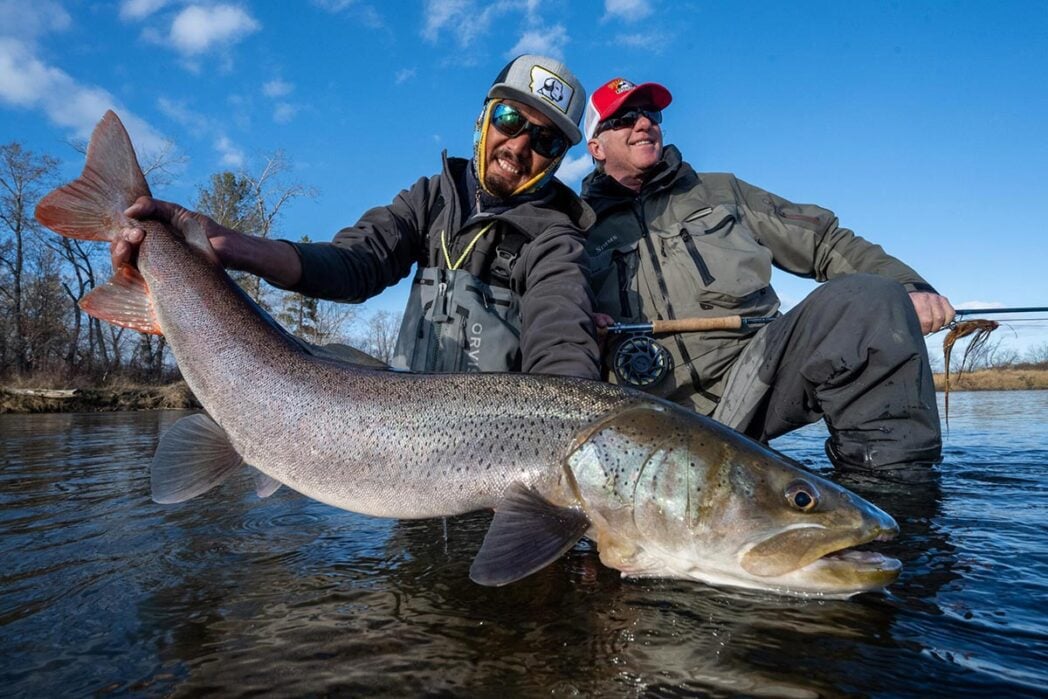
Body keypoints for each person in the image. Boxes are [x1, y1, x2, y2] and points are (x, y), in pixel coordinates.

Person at [113, 55, 600, 379]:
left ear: (556, 160)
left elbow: (562, 343)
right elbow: (354, 263)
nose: (518, 146)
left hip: (501, 467)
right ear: (484, 119)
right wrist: (233, 247)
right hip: (411, 455)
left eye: (545, 141)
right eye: (511, 120)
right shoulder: (430, 198)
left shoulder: (557, 239)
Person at [580, 77, 956, 473]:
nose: (643, 124)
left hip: (756, 377)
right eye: (623, 118)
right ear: (596, 147)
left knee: (868, 299)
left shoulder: (721, 191)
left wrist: (909, 287)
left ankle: (890, 496)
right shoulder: (577, 226)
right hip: (641, 409)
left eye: (650, 114)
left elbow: (822, 240)